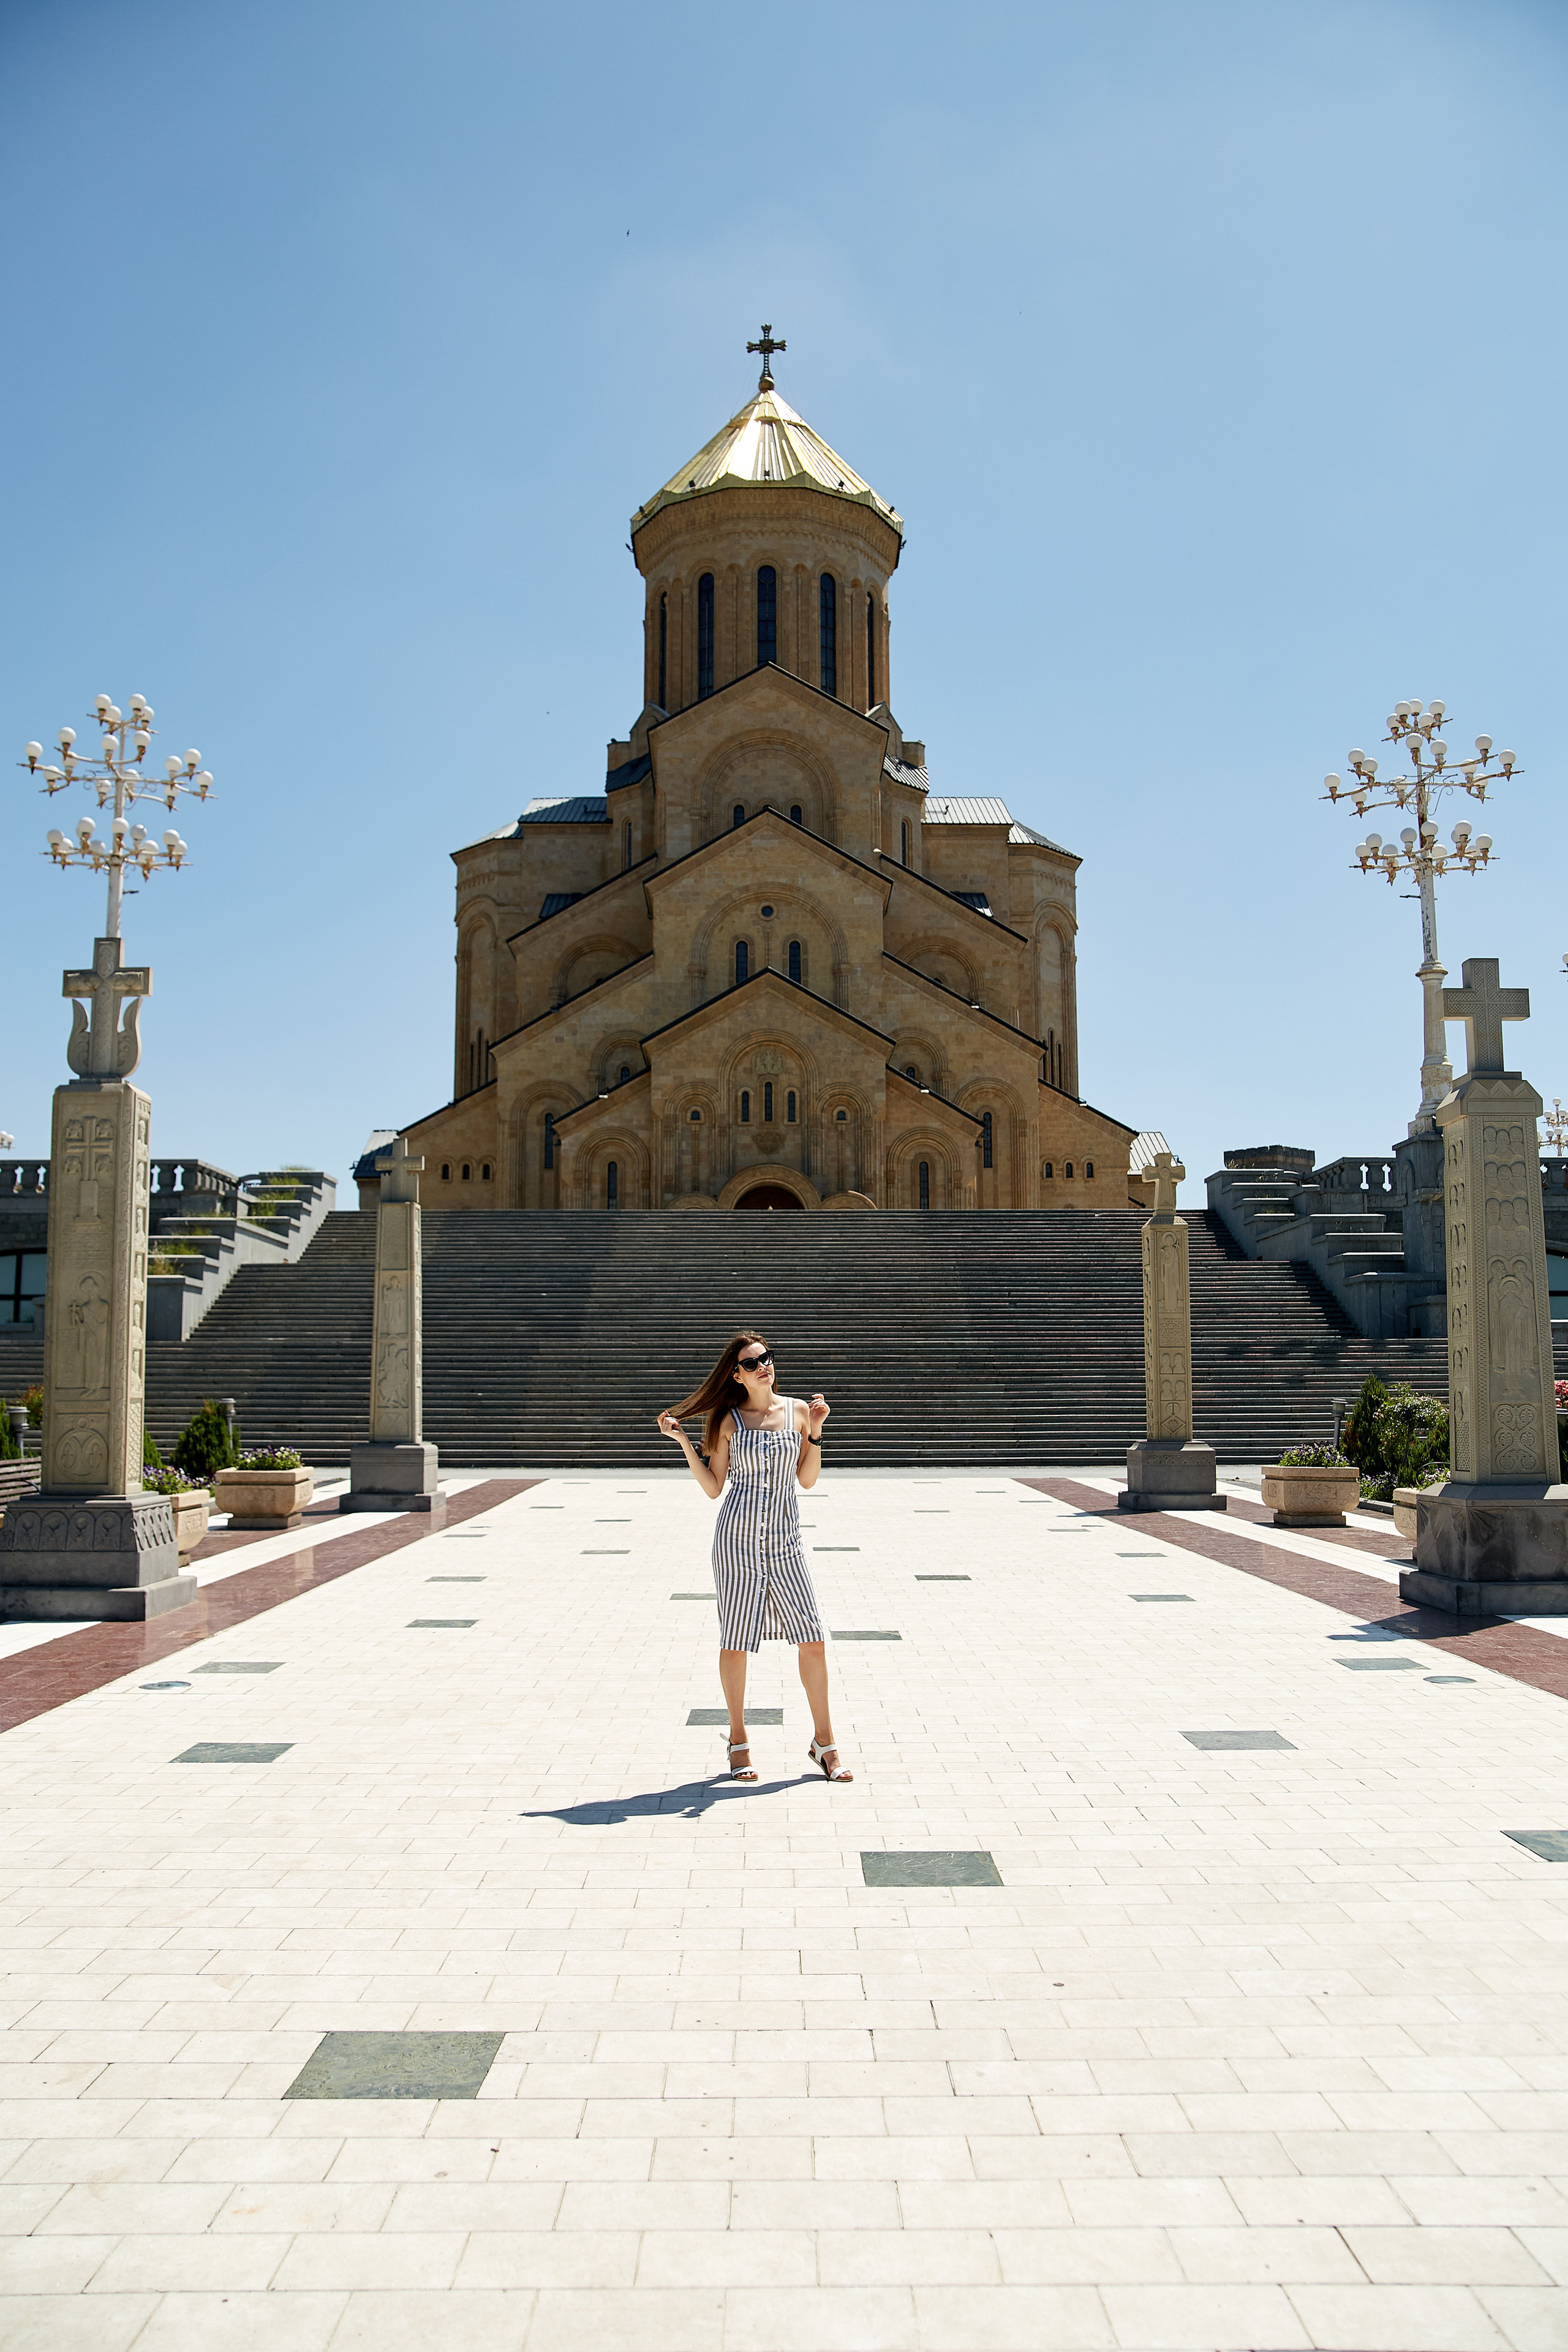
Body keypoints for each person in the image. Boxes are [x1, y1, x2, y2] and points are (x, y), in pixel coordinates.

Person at [657, 1330, 853, 1783]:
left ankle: (825, 1743)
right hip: (737, 1542)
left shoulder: (800, 1412)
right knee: (736, 1640)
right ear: (736, 1374)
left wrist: (818, 1432)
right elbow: (713, 1488)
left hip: (786, 1541)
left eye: (766, 1357)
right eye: (752, 1362)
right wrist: (684, 1442)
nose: (764, 1365)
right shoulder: (727, 1421)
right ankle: (739, 1740)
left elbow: (806, 1480)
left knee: (813, 1638)